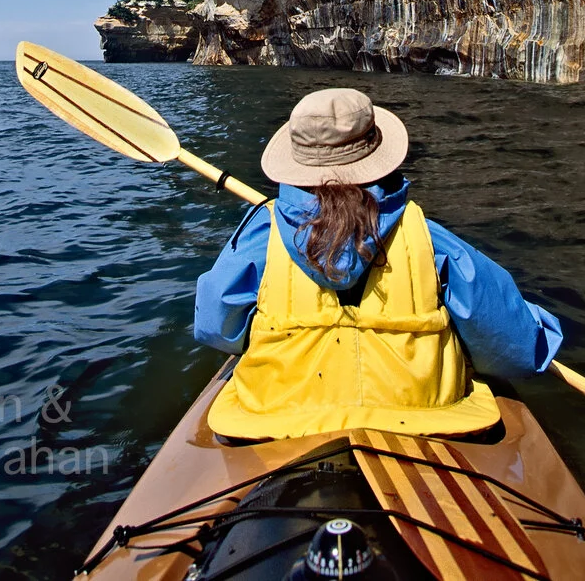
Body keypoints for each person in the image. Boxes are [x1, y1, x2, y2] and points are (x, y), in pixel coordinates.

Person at [195, 87, 563, 440]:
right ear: (377, 158)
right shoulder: (430, 239)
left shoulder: (260, 235)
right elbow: (516, 350)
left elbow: (215, 328)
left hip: (277, 421)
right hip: (425, 421)